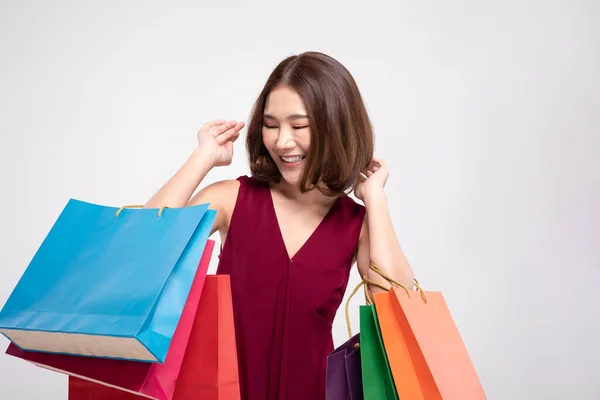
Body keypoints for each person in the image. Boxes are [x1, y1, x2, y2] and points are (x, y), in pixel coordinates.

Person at [145, 51, 415, 399]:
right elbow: (147, 244)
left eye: (298, 126)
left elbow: (395, 309)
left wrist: (375, 200)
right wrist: (203, 158)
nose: (281, 141)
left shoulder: (356, 224)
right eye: (271, 125)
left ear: (335, 127)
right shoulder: (233, 199)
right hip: (220, 391)